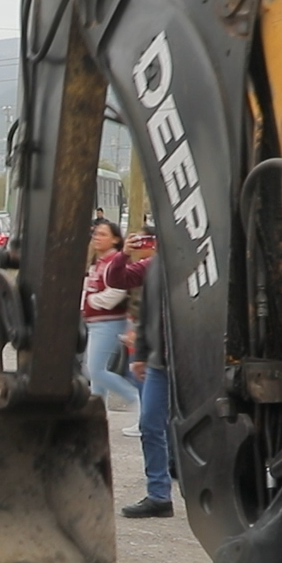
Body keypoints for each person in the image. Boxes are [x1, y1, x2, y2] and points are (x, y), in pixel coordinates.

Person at [122, 235, 175, 519]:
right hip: (159, 361)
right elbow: (146, 312)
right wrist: (141, 354)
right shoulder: (153, 267)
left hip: (195, 360)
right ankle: (159, 494)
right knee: (151, 424)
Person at [83, 218, 147, 411]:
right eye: (96, 234)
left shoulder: (114, 261)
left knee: (95, 370)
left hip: (108, 322)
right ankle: (97, 411)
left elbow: (117, 291)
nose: (97, 238)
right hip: (94, 322)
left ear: (115, 240)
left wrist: (92, 300)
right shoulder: (98, 262)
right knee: (95, 372)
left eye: (103, 234)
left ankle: (134, 398)